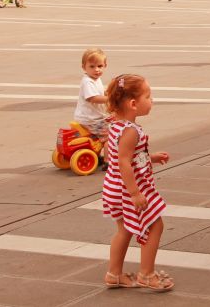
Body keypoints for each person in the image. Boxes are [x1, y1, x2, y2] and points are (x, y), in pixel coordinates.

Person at [101, 73, 172, 291]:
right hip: (129, 189)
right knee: (155, 226)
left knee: (124, 230)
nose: (152, 101)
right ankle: (147, 274)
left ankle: (114, 274)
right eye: (148, 97)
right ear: (133, 104)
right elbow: (124, 162)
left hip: (114, 187)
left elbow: (114, 157)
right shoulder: (130, 131)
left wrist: (150, 158)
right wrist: (134, 193)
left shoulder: (116, 126)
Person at [75, 48, 110, 141]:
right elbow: (93, 98)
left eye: (100, 66)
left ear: (105, 65)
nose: (96, 70)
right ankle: (108, 156)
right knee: (111, 136)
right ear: (84, 67)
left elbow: (100, 92)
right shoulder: (87, 81)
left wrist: (108, 92)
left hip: (93, 118)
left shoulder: (96, 79)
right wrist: (110, 98)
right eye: (92, 66)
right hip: (90, 120)